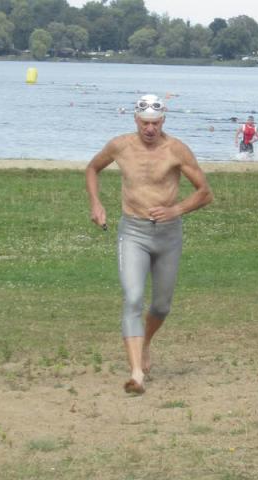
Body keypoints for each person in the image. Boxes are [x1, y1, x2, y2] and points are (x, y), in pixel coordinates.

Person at [85, 94, 213, 395]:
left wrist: (176, 210)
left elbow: (205, 192)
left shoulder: (176, 150)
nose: (150, 129)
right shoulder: (120, 146)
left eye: (155, 123)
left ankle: (145, 343)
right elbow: (92, 168)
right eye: (145, 123)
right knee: (133, 298)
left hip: (168, 235)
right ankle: (136, 374)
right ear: (136, 120)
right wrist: (96, 203)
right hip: (133, 232)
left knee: (161, 306)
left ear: (163, 121)